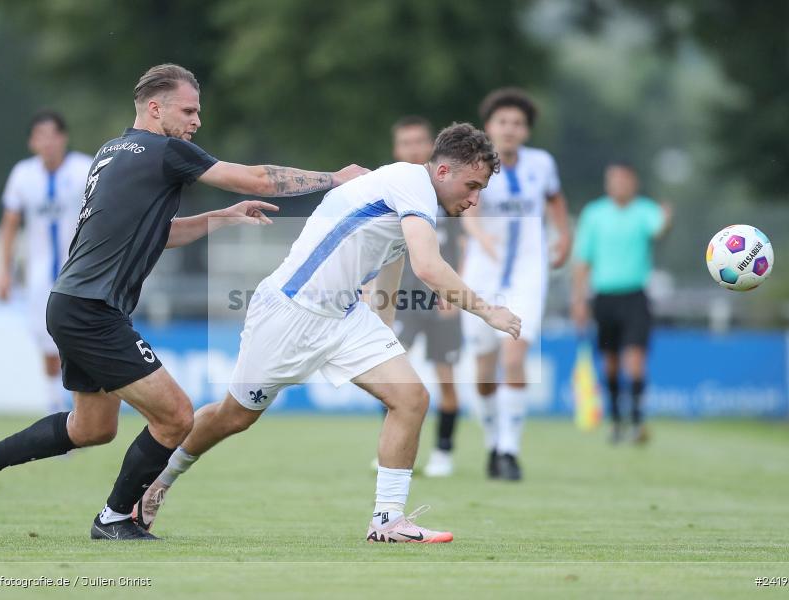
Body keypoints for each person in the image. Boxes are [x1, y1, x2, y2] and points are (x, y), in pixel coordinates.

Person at [0, 63, 367, 540]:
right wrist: (334, 178)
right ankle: (112, 519)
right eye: (189, 110)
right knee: (176, 416)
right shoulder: (166, 150)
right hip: (92, 311)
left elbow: (156, 234)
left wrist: (221, 217)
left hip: (72, 302)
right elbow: (256, 178)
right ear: (155, 108)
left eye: (198, 112)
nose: (196, 122)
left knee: (91, 428)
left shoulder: (112, 153)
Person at [133, 123, 520, 543]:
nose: (475, 198)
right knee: (234, 417)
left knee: (411, 397)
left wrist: (384, 338)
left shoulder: (409, 195)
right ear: (443, 172)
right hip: (290, 312)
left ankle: (387, 521)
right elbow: (428, 267)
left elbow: (392, 265)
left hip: (344, 315)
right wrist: (488, 310)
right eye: (472, 185)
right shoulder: (412, 181)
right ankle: (154, 485)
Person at [461, 87, 571, 481]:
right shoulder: (475, 163)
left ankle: (510, 449)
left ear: (526, 130)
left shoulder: (542, 163)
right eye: (502, 122)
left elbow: (555, 200)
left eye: (517, 123)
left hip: (528, 271)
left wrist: (564, 236)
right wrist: (479, 235)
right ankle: (493, 441)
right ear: (489, 127)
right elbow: (466, 207)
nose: (510, 129)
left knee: (515, 356)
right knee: (485, 372)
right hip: (483, 274)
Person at [0, 110, 93, 413]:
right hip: (41, 277)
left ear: (63, 138)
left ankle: (84, 412)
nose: (48, 143)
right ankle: (56, 411)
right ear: (32, 142)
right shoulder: (23, 175)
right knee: (49, 348)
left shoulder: (84, 169)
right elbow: (10, 223)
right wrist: (4, 271)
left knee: (82, 345)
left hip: (82, 272)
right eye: (41, 137)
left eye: (53, 135)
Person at [571, 161, 672, 444]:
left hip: (635, 297)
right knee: (611, 363)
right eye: (612, 180)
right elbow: (582, 260)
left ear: (633, 183)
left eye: (623, 180)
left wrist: (667, 219)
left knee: (636, 361)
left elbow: (660, 230)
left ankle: (638, 421)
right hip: (603, 297)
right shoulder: (594, 213)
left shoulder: (645, 211)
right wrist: (578, 300)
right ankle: (616, 420)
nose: (618, 185)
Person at [387, 116, 465, 478]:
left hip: (442, 296)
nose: (414, 149)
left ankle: (444, 452)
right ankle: (394, 449)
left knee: (445, 377)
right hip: (403, 296)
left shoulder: (446, 190)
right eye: (406, 143)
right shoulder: (390, 189)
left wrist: (455, 290)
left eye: (420, 142)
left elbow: (459, 244)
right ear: (396, 149)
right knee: (389, 373)